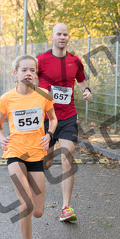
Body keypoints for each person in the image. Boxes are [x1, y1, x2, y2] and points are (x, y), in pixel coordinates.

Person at [0, 54, 57, 239]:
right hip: (15, 154)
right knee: (26, 204)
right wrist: (1, 137)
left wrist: (49, 134)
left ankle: (29, 205)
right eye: (24, 70)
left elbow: (54, 118)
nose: (29, 73)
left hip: (37, 155)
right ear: (15, 73)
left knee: (38, 211)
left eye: (32, 70)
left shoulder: (44, 95)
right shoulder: (7, 98)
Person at [37, 23, 92, 222]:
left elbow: (82, 80)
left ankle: (66, 208)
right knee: (47, 163)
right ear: (52, 36)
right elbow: (28, 82)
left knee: (68, 158)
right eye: (58, 34)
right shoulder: (41, 60)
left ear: (69, 37)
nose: (62, 37)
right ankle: (31, 174)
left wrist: (87, 90)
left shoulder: (75, 61)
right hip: (46, 118)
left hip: (68, 117)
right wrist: (39, 94)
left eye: (65, 34)